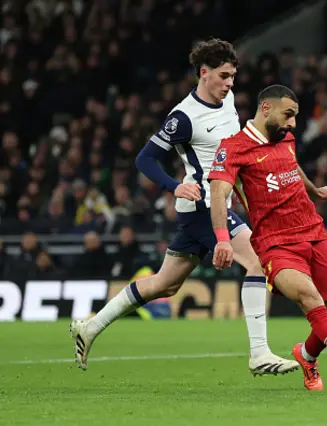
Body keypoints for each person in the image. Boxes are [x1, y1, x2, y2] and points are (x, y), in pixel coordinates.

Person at [70, 39, 298, 376]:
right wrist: (175, 185)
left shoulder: (229, 100)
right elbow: (145, 159)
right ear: (203, 74)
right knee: (256, 261)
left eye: (233, 76)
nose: (230, 83)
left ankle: (88, 328)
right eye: (223, 76)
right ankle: (259, 353)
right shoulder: (183, 118)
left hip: (216, 203)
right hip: (203, 205)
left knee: (165, 284)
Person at [208, 84, 327, 391]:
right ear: (266, 109)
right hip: (275, 244)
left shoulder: (285, 138)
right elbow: (218, 191)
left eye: (295, 117)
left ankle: (306, 356)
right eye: (288, 115)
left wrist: (315, 190)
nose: (292, 124)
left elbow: (290, 164)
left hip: (314, 233)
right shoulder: (233, 148)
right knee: (309, 299)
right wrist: (223, 239)